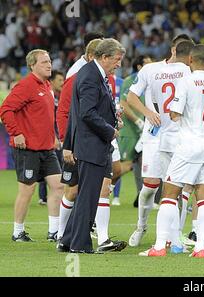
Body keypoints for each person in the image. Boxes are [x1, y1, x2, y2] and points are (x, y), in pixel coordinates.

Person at [140, 44, 204, 257]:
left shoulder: (186, 81)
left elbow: (174, 114)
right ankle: (201, 247)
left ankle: (158, 247)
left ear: (191, 60)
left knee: (170, 193)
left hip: (189, 144)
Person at [59, 38, 126, 254]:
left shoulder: (92, 74)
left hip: (92, 144)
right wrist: (110, 130)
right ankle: (79, 245)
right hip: (92, 145)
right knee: (88, 197)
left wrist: (114, 120)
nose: (118, 64)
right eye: (116, 60)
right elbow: (87, 113)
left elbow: (83, 112)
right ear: (104, 57)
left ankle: (68, 240)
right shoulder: (90, 76)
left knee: (86, 196)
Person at [127, 39, 194, 248]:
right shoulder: (151, 69)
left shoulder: (188, 71)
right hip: (154, 136)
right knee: (150, 187)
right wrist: (148, 113)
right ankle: (141, 226)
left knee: (178, 187)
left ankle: (175, 236)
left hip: (180, 135)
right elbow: (131, 96)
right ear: (173, 49)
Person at [0, 49, 64, 242]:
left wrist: (53, 136)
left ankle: (54, 231)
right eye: (44, 62)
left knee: (58, 186)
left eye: (49, 61)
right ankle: (17, 231)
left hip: (46, 148)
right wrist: (16, 133)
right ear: (32, 65)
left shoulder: (47, 85)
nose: (49, 64)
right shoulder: (26, 85)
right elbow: (6, 109)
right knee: (27, 190)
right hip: (28, 148)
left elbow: (45, 116)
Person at [113, 55, 152, 206]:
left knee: (146, 166)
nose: (151, 66)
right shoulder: (130, 81)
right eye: (147, 64)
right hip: (130, 131)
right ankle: (104, 186)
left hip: (146, 132)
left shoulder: (150, 82)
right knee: (126, 165)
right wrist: (137, 121)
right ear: (139, 66)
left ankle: (144, 198)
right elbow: (124, 102)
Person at [38, 70, 64, 207]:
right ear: (52, 81)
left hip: (57, 137)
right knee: (47, 165)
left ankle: (49, 194)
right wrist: (54, 136)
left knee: (54, 166)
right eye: (59, 80)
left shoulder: (58, 97)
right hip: (49, 137)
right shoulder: (48, 95)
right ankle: (43, 196)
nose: (62, 82)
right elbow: (48, 120)